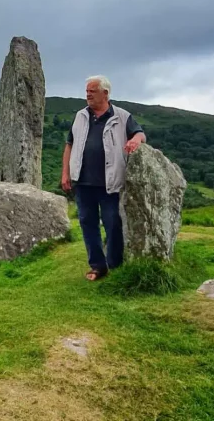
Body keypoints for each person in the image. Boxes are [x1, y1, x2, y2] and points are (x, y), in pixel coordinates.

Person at [60, 75, 146, 281]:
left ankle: (115, 264)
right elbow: (69, 145)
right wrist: (65, 173)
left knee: (113, 223)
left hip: (111, 183)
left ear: (105, 93)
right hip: (83, 182)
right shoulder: (80, 116)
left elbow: (141, 133)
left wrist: (135, 140)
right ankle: (98, 266)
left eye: (92, 91)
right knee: (87, 224)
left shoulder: (122, 116)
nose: (87, 94)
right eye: (86, 91)